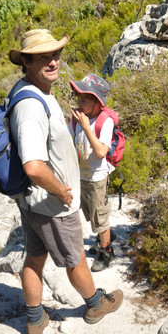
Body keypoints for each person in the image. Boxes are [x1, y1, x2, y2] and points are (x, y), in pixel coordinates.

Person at [8, 29, 122, 334]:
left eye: (55, 53)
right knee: (75, 260)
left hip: (33, 201)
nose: (53, 61)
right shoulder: (30, 107)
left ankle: (34, 320)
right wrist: (60, 190)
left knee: (34, 256)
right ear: (27, 62)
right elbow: (33, 166)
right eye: (43, 56)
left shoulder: (34, 91)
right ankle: (96, 305)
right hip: (51, 203)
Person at [69, 73, 117, 272]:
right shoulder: (78, 119)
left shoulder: (103, 122)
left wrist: (86, 128)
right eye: (78, 99)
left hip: (97, 177)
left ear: (97, 102)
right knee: (90, 215)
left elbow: (100, 152)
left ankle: (106, 252)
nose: (79, 104)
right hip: (81, 176)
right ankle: (104, 236)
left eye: (84, 100)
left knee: (100, 217)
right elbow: (70, 144)